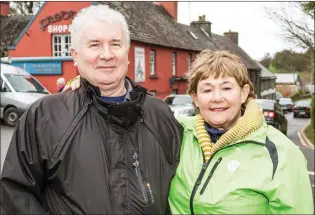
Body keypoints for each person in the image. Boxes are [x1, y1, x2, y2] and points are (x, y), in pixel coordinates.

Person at [62, 50, 314, 214]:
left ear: (245, 93)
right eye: (206, 89)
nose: (217, 98)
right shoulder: (177, 133)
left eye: (227, 88)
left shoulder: (280, 153)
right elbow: (121, 123)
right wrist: (88, 91)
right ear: (194, 97)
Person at [0, 5, 183, 214]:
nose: (107, 55)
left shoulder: (161, 115)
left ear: (128, 52)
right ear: (75, 55)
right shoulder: (45, 116)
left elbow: (183, 191)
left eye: (115, 44)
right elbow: (16, 195)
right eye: (95, 45)